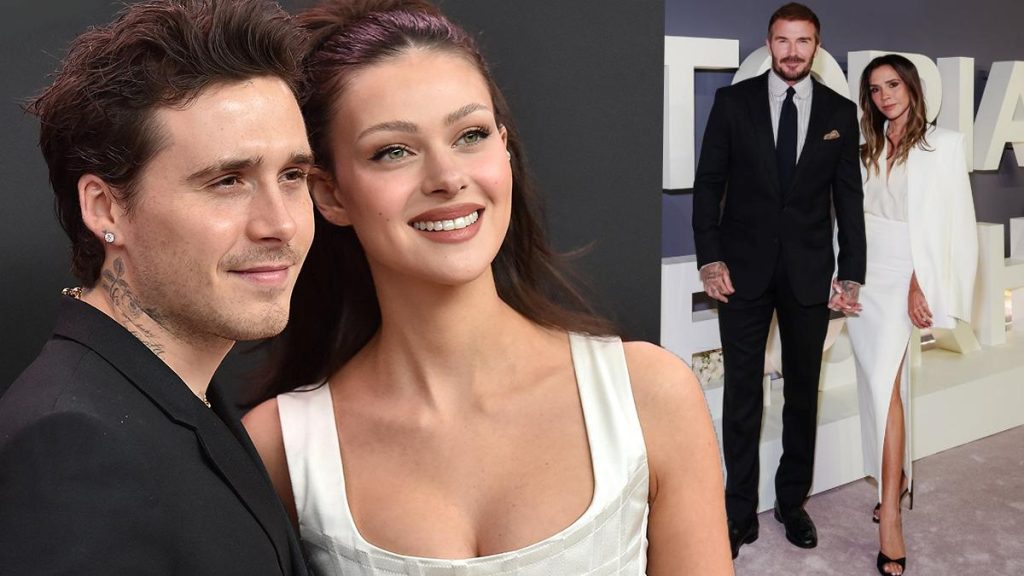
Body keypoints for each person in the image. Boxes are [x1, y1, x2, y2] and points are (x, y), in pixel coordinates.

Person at [241, 0, 733, 574]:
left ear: (504, 149)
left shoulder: (652, 396)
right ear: (330, 195)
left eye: (470, 135)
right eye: (393, 151)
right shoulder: (279, 447)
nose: (448, 178)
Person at [0, 1, 315, 574]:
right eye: (228, 181)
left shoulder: (181, 395)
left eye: (293, 176)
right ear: (105, 208)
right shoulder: (71, 445)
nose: (282, 223)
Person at [692, 2, 867, 559]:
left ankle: (792, 503)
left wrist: (852, 273)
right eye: (783, 40)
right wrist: (710, 258)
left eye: (803, 41)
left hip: (809, 274)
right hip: (741, 272)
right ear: (769, 43)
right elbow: (708, 185)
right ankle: (739, 511)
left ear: (817, 46)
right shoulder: (733, 103)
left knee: (802, 394)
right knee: (742, 394)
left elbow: (849, 200)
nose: (793, 51)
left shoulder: (840, 111)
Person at [846, 54, 978, 576]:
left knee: (885, 386)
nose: (885, 97)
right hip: (866, 271)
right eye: (875, 89)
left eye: (893, 85)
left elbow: (953, 222)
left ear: (912, 87)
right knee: (877, 384)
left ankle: (891, 520)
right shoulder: (866, 147)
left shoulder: (945, 145)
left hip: (907, 272)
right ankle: (895, 480)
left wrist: (922, 281)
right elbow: (852, 218)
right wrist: (844, 275)